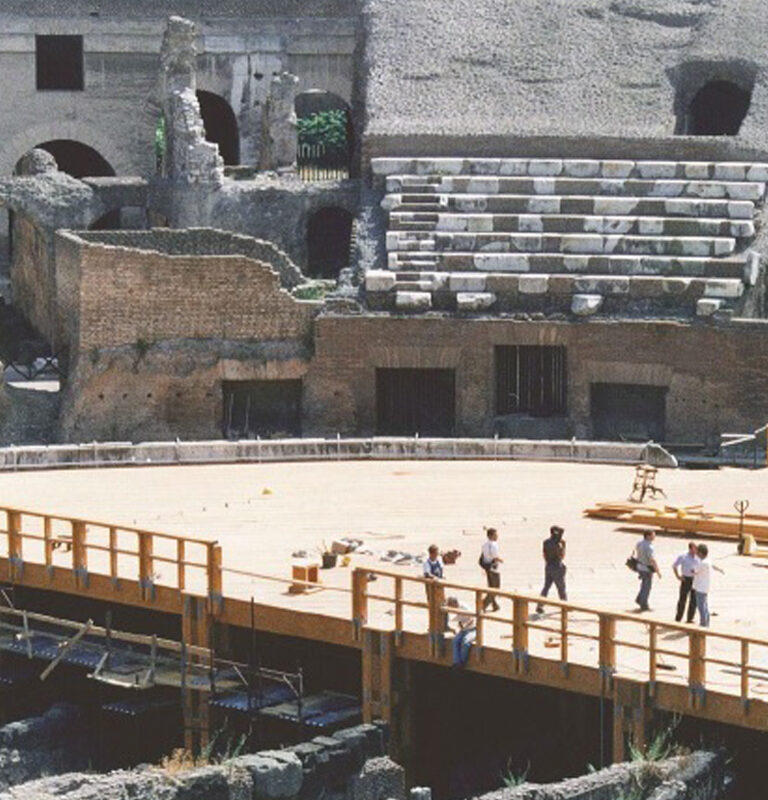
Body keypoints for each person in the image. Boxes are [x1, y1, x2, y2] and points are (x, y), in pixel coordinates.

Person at [691, 543, 724, 627]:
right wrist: (720, 569)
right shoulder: (708, 561)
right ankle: (706, 623)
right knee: (705, 606)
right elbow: (713, 566)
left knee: (701, 607)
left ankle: (703, 624)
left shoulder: (702, 563)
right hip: (705, 587)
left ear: (701, 553)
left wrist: (691, 569)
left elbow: (695, 571)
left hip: (700, 587)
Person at [536, 525, 567, 614]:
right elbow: (562, 555)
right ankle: (564, 605)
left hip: (548, 565)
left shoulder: (546, 542)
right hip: (557, 565)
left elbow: (544, 554)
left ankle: (540, 604)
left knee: (546, 587)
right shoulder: (559, 544)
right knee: (561, 587)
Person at [672, 542, 699, 623]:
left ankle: (690, 618)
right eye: (695, 548)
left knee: (694, 600)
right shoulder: (683, 556)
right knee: (682, 599)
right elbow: (674, 566)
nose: (696, 550)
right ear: (690, 548)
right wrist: (678, 576)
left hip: (695, 579)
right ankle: (678, 618)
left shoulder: (698, 557)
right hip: (686, 579)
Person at [446, 595, 476, 667]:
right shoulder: (457, 608)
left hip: (472, 629)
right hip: (463, 630)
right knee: (455, 640)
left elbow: (469, 618)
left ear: (454, 603)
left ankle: (462, 662)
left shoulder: (465, 608)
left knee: (465, 642)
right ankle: (456, 661)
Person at [634, 530, 661, 611]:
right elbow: (652, 559)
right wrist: (658, 571)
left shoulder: (639, 543)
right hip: (647, 569)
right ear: (648, 536)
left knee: (643, 584)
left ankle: (639, 599)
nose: (654, 537)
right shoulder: (649, 547)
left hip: (639, 566)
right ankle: (643, 604)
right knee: (647, 587)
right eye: (653, 535)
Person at [479, 527, 503, 612]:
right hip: (493, 568)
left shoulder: (485, 545)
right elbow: (494, 556)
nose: (497, 536)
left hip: (487, 567)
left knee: (491, 586)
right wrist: (500, 559)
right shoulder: (493, 544)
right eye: (495, 534)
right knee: (495, 588)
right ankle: (483, 604)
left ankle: (494, 605)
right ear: (491, 535)